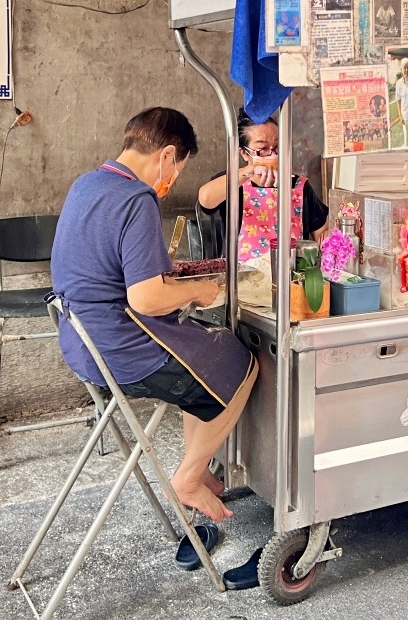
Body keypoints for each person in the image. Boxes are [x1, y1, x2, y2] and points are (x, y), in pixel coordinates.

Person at [51, 107, 258, 523]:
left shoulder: (88, 184)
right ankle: (189, 476)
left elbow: (113, 267)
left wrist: (172, 277)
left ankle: (199, 471)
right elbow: (145, 298)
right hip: (121, 350)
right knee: (240, 362)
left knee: (199, 352)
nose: (172, 181)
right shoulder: (136, 198)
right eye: (177, 170)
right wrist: (201, 290)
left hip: (80, 343)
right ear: (166, 156)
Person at [197, 109, 329, 265]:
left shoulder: (300, 186)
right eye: (262, 150)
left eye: (277, 148)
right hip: (244, 280)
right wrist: (251, 169)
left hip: (291, 278)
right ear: (244, 153)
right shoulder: (234, 183)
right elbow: (205, 199)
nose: (272, 156)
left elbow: (322, 234)